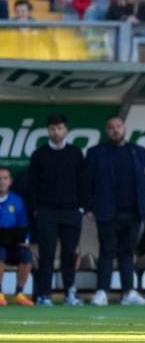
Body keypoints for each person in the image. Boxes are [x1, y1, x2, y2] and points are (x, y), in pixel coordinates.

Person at [87, 115, 145, 306]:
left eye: (118, 126)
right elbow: (87, 181)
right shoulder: (96, 152)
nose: (115, 130)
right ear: (106, 130)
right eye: (111, 127)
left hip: (134, 212)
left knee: (128, 252)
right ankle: (102, 292)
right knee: (107, 251)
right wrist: (88, 207)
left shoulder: (139, 152)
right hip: (107, 211)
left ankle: (128, 292)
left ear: (124, 128)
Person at [27, 113, 88, 306]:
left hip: (71, 212)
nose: (56, 132)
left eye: (60, 128)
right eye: (52, 129)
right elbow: (32, 185)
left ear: (66, 130)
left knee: (69, 254)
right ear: (48, 131)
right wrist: (36, 209)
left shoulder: (75, 153)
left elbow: (83, 182)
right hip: (46, 212)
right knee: (47, 254)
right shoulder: (39, 155)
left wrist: (81, 207)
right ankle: (44, 295)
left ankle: (70, 293)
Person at [0, 166, 34, 306]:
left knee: (26, 254)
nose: (2, 181)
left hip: (12, 245)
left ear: (10, 181)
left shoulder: (17, 200)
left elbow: (23, 225)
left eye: (5, 178)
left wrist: (26, 240)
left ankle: (19, 293)